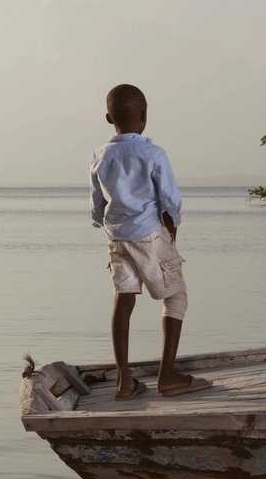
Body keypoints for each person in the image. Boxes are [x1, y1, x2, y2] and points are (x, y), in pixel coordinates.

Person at [90, 84, 211, 400]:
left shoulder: (100, 156)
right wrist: (172, 232)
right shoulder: (154, 154)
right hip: (149, 235)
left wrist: (105, 221)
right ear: (144, 116)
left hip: (116, 237)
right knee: (177, 296)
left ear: (108, 118)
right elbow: (169, 200)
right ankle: (167, 375)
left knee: (124, 299)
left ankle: (124, 381)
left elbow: (97, 207)